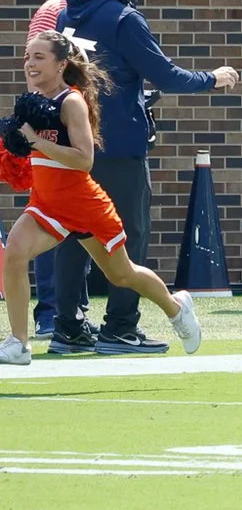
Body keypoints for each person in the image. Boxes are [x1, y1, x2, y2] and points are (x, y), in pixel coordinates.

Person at [53, 0, 241, 354]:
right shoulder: (124, 17)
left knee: (71, 233)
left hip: (74, 140)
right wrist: (214, 77)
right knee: (129, 234)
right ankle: (120, 326)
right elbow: (166, 75)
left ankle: (67, 326)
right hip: (118, 142)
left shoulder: (69, 11)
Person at [1, 31, 206, 366]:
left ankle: (177, 307)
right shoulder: (33, 99)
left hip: (84, 205)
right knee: (14, 254)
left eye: (39, 57)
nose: (30, 63)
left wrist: (35, 142)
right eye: (27, 56)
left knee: (122, 274)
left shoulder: (71, 102)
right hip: (46, 204)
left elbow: (85, 160)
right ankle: (18, 343)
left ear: (61, 63)